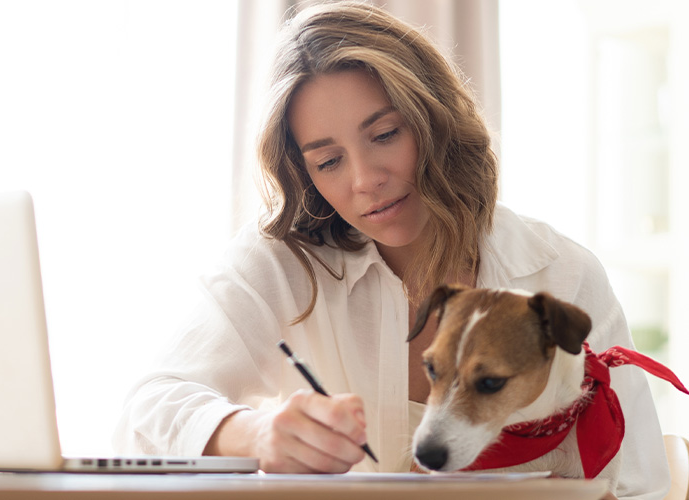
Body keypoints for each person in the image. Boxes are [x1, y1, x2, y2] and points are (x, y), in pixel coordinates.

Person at [111, 2, 670, 498]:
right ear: (303, 174)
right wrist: (255, 433)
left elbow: (640, 485)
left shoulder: (561, 273)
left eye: (384, 135)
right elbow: (147, 408)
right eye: (328, 161)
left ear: (435, 120)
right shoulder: (279, 262)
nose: (365, 180)